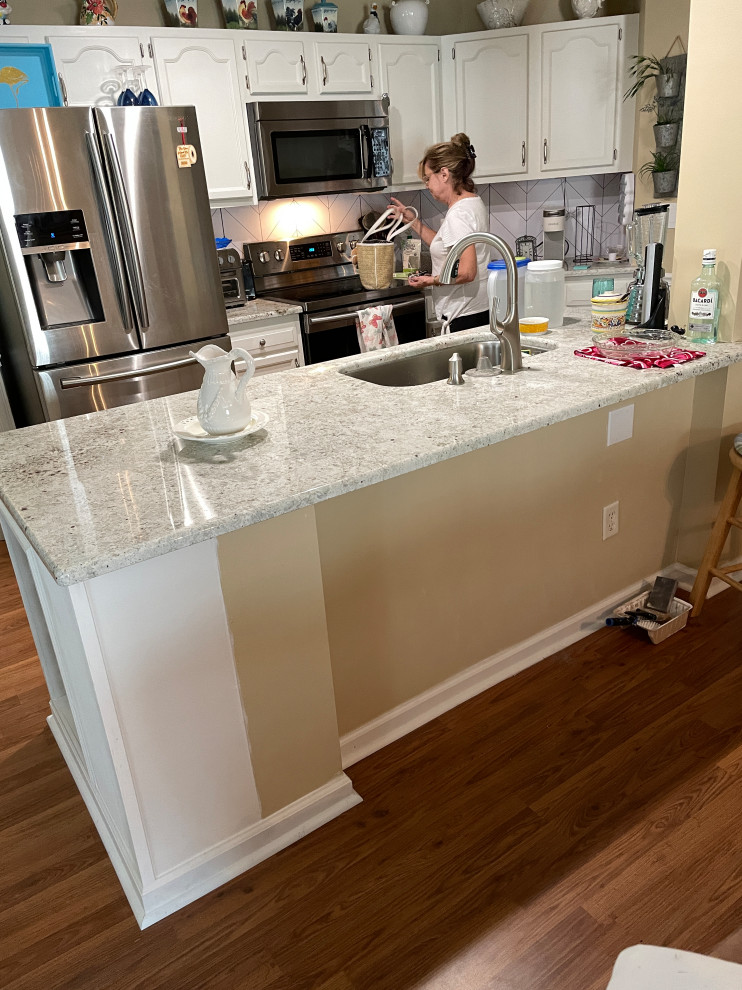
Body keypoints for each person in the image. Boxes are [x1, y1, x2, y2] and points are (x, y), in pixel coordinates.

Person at [390, 132, 490, 333]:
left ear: (444, 174)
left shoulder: (458, 215)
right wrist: (414, 223)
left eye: (428, 178)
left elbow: (466, 272)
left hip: (463, 316)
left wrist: (431, 280)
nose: (426, 185)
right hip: (477, 310)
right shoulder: (471, 203)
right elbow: (447, 246)